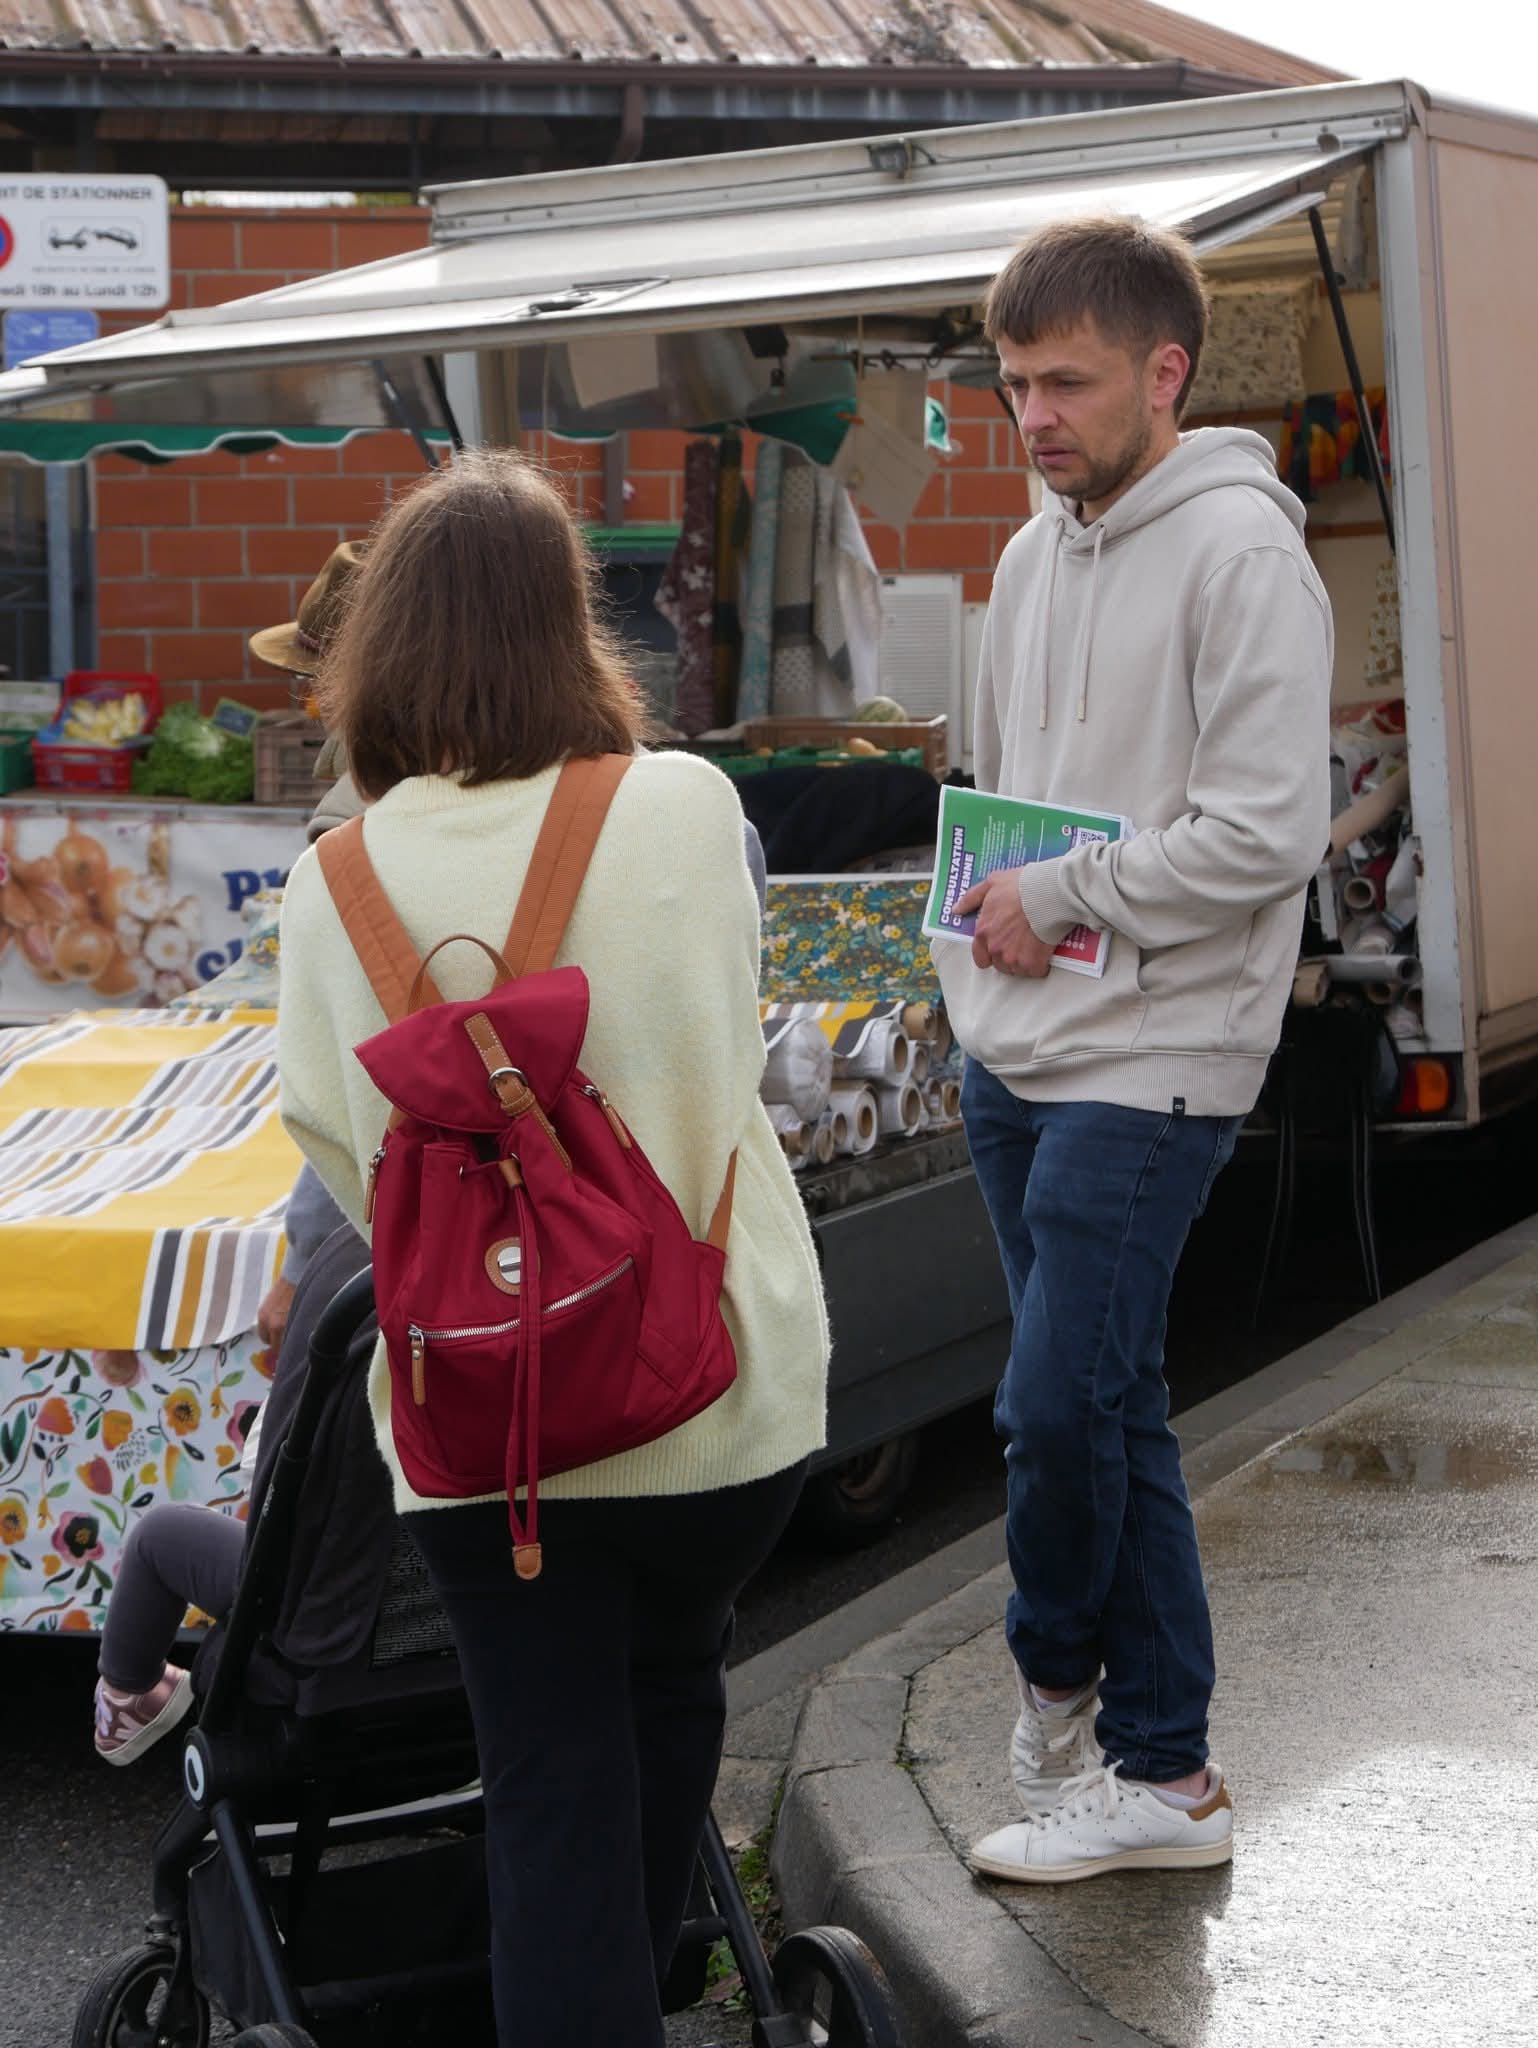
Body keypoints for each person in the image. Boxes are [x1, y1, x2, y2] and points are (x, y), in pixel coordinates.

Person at [275, 449, 829, 2048]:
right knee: (673, 1687)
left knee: (545, 1783)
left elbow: (331, 1144)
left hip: (484, 1425)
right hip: (716, 1388)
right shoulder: (686, 807)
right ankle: (649, 1986)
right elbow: (724, 1031)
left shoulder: (332, 885)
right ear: (570, 624)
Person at [932, 216, 1332, 1883]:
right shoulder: (1033, 549)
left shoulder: (1242, 554)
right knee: (1109, 1407)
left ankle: (1054, 1684)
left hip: (1160, 1052)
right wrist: (979, 922)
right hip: (1010, 1044)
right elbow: (1013, 791)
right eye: (1013, 383)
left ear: (1164, 373)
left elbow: (1268, 831)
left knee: (1047, 1412)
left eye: (1066, 383)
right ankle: (1166, 1783)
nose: (1032, 414)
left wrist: (1062, 889)